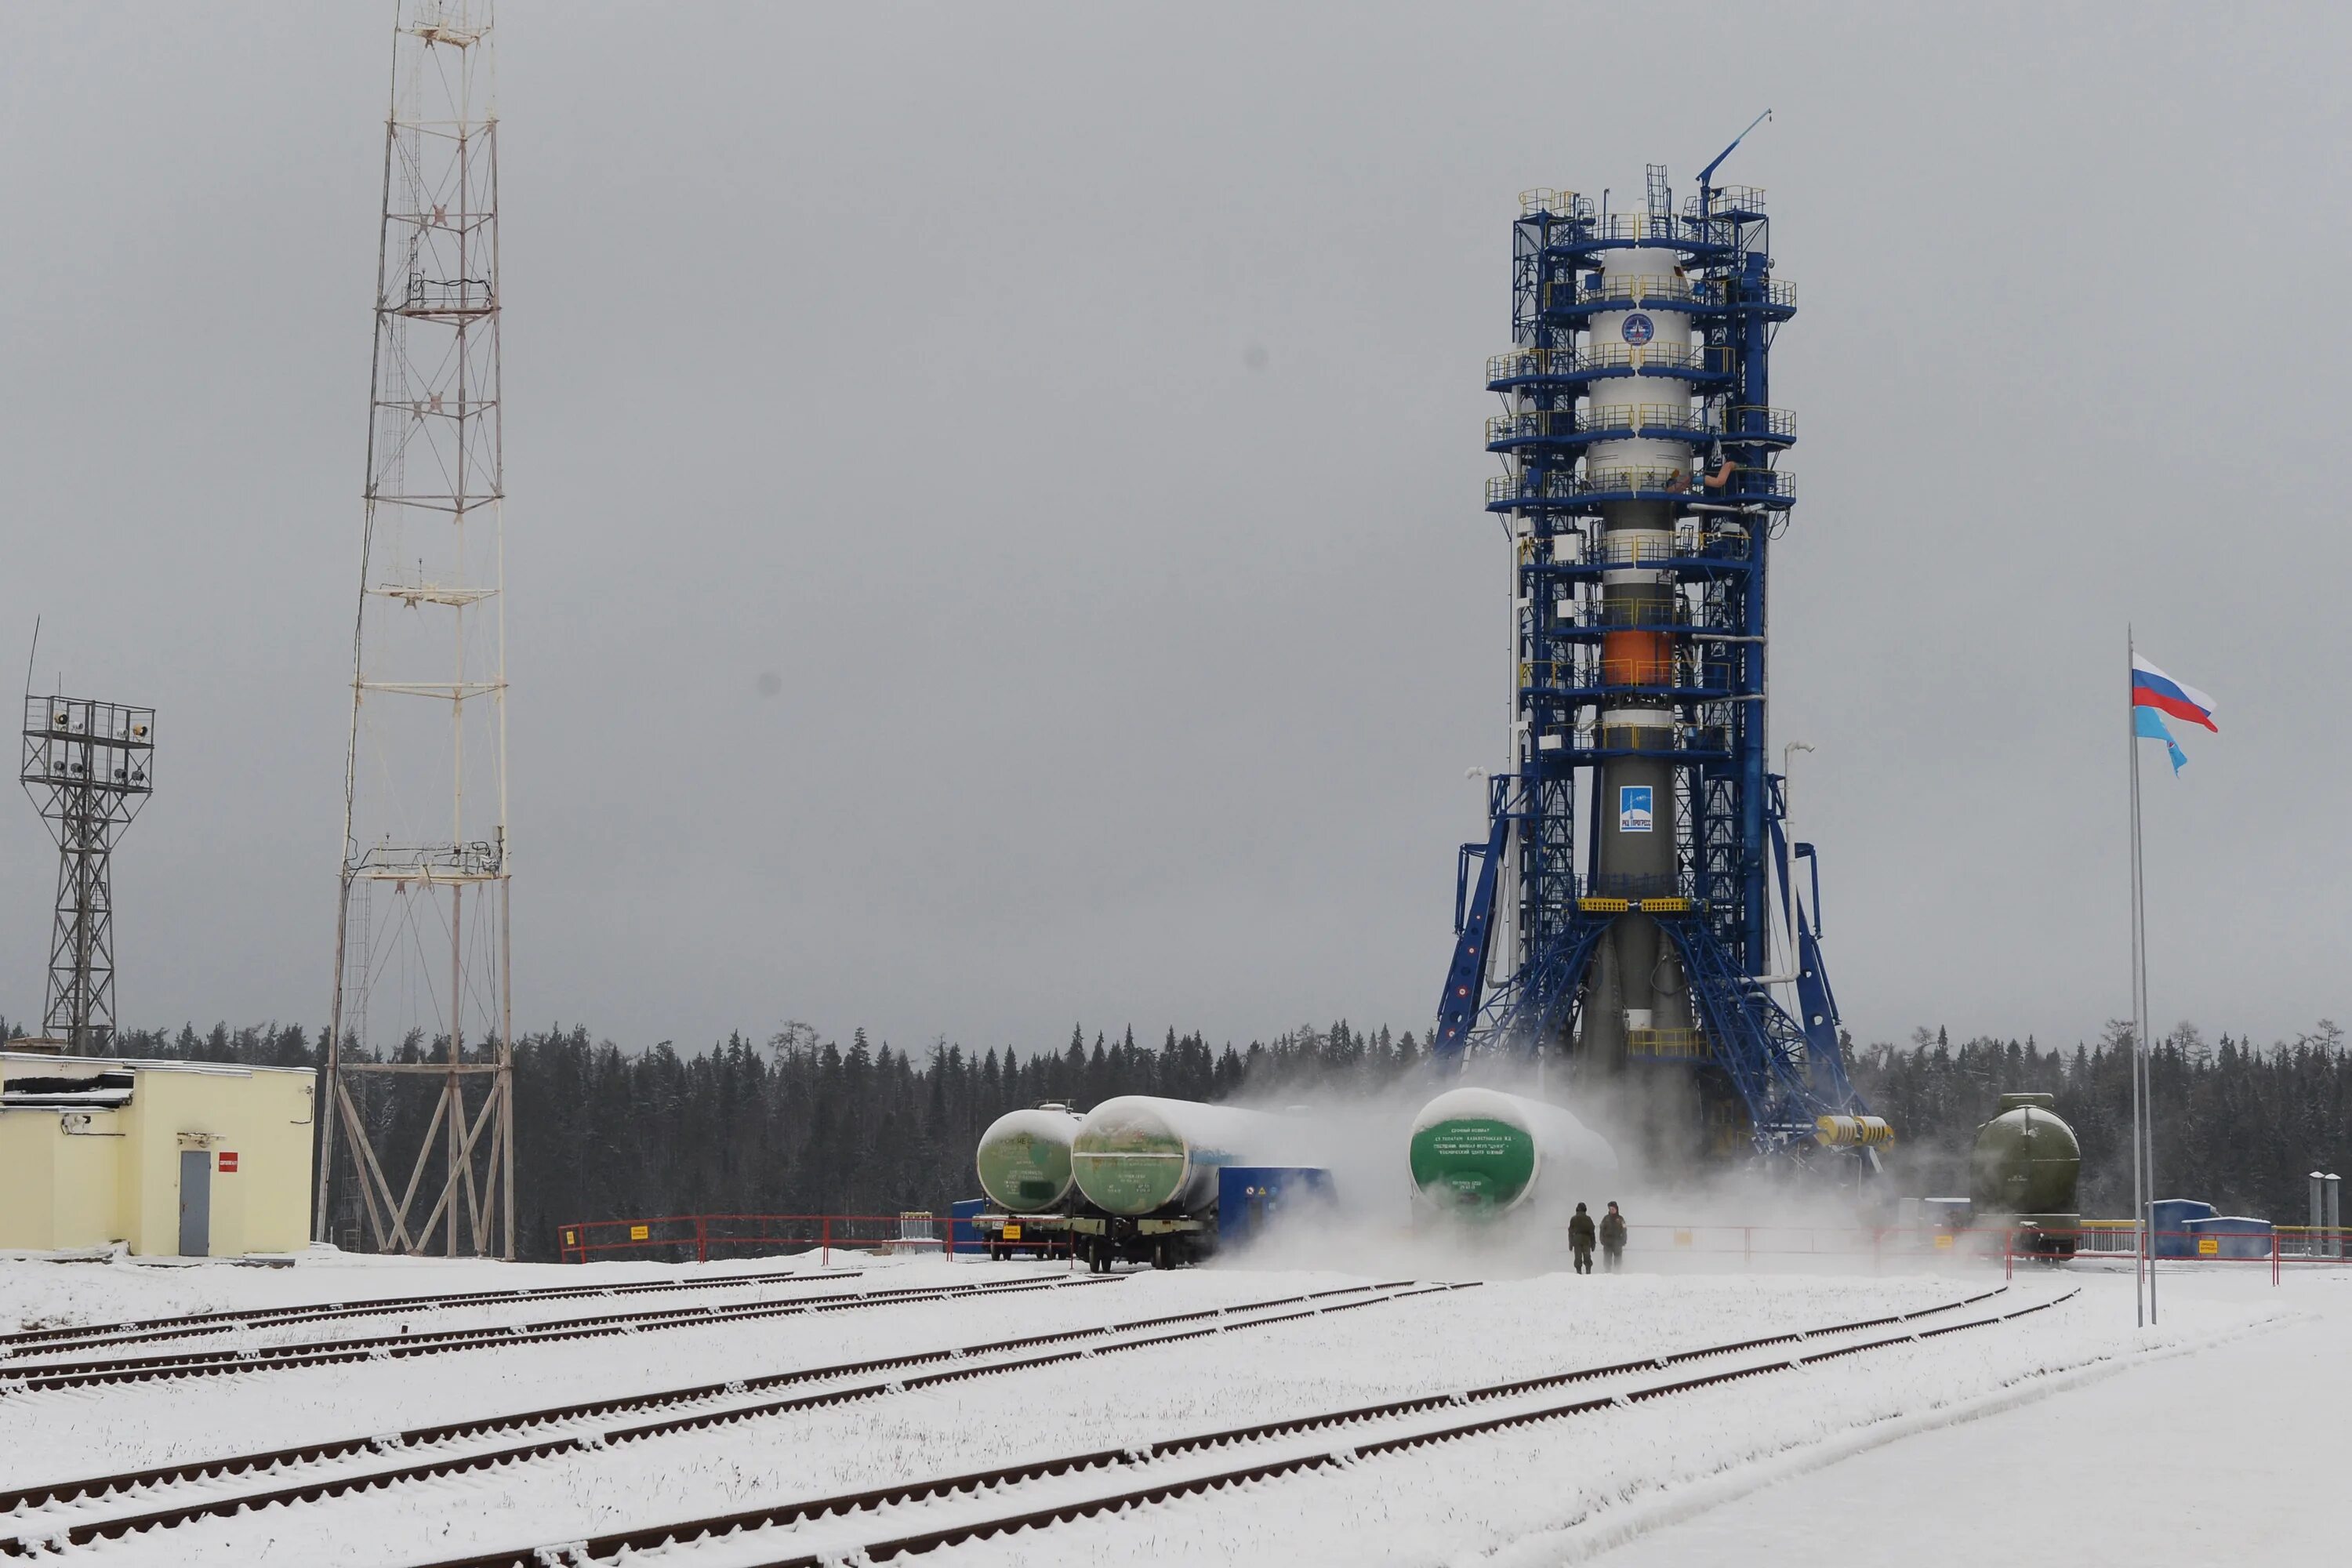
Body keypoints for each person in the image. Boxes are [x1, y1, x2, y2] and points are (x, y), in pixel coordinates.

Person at [1569, 1201, 1596, 1275]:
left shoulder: (1573, 1219)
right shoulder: (1588, 1219)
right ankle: (1588, 1271)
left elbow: (1570, 1233)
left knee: (1578, 1256)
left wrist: (1571, 1244)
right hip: (1586, 1240)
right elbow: (1592, 1231)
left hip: (1576, 1240)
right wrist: (1593, 1244)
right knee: (1587, 1256)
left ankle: (1579, 1271)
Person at [1599, 1201, 1628, 1273]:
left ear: (1616, 1209)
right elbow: (1602, 1230)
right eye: (1610, 1209)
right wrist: (1602, 1240)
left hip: (1618, 1242)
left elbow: (1624, 1230)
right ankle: (1607, 1273)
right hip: (1607, 1242)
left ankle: (1617, 1272)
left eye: (1613, 1209)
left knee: (1618, 1259)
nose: (1612, 1210)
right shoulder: (1606, 1219)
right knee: (1607, 1259)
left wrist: (1624, 1240)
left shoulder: (1621, 1219)